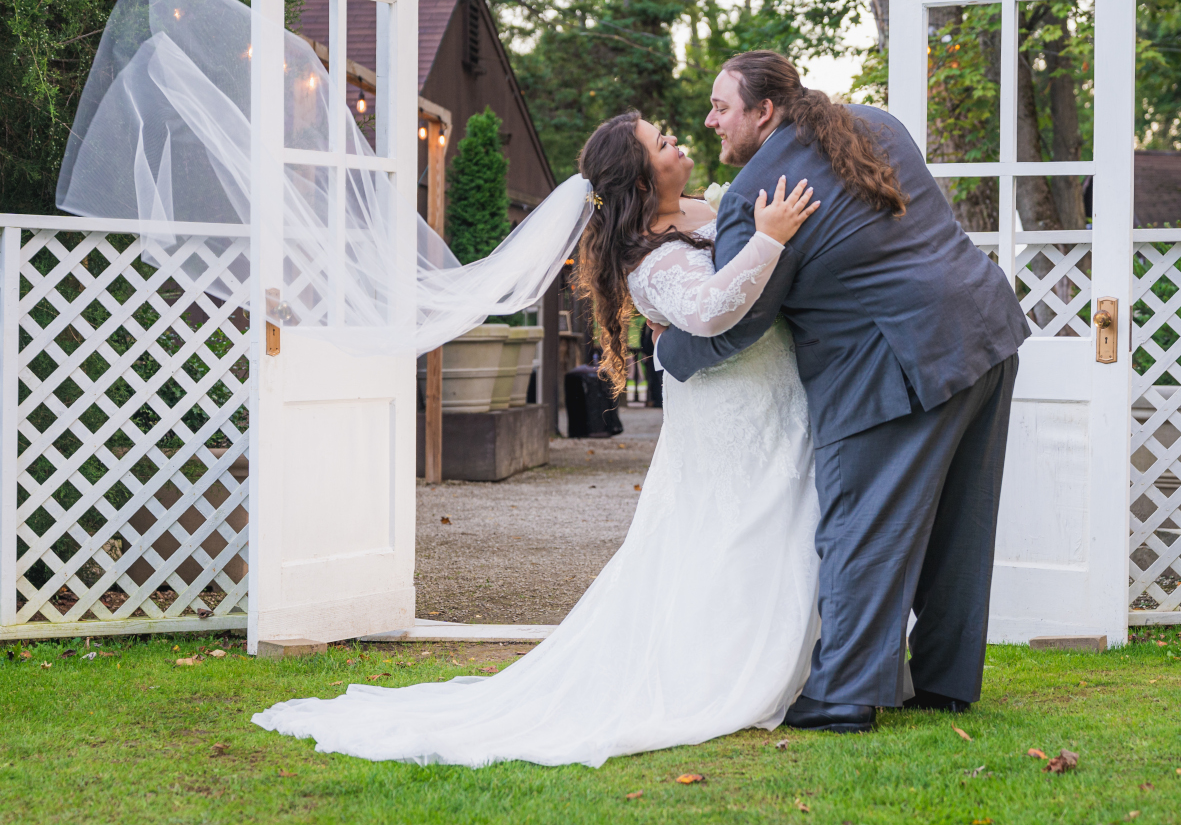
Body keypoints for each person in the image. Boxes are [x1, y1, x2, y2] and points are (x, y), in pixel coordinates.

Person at [253, 110, 825, 767]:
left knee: (766, 521)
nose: (675, 140)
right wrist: (771, 239)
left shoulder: (709, 208)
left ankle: (806, 658)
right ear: (640, 178)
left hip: (764, 393)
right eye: (659, 142)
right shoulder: (651, 258)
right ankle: (735, 666)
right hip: (729, 414)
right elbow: (711, 307)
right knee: (737, 529)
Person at [655, 51, 1028, 732]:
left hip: (895, 360)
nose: (709, 119)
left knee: (860, 525)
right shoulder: (876, 123)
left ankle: (842, 695)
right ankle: (944, 680)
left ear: (764, 111)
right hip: (984, 325)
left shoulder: (753, 196)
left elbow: (743, 318)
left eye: (721, 106)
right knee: (959, 525)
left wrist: (665, 348)